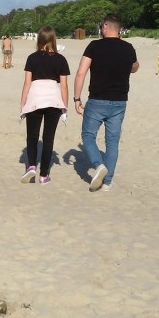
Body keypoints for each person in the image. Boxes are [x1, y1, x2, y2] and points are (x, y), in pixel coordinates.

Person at [73, 15, 139, 191]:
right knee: (112, 142)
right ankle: (107, 182)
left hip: (97, 99)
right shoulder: (128, 47)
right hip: (119, 101)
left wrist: (77, 98)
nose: (101, 28)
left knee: (88, 136)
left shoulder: (94, 46)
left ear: (107, 26)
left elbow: (81, 72)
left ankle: (98, 165)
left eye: (102, 26)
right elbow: (135, 67)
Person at [19, 26, 70, 184]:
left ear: (39, 40)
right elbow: (64, 86)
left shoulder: (32, 58)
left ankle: (32, 166)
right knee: (48, 139)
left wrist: (23, 105)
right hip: (53, 100)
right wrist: (64, 108)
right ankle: (43, 175)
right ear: (53, 39)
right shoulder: (61, 59)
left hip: (35, 99)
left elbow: (27, 83)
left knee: (32, 137)